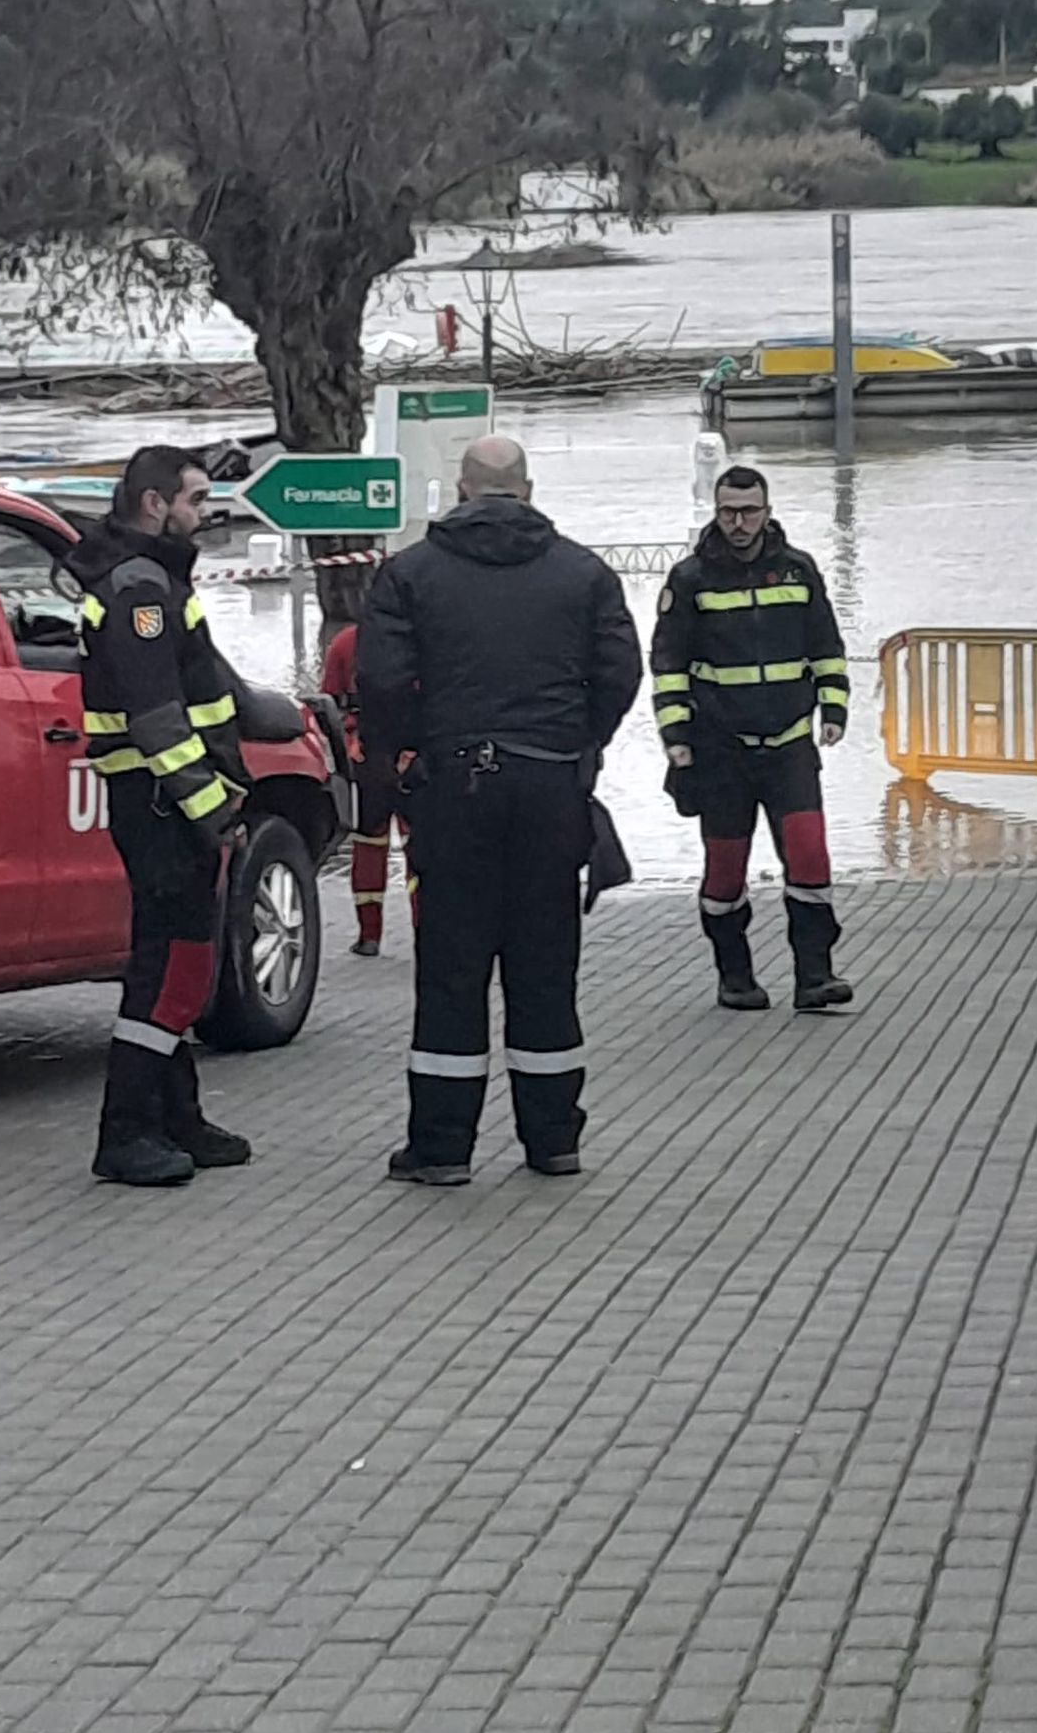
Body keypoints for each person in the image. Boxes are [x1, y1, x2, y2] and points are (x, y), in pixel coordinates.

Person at [358, 435, 642, 1187]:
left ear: (460, 490)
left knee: (452, 970)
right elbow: (620, 672)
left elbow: (381, 682)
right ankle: (553, 1138)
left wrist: (418, 752)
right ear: (528, 487)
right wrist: (577, 743)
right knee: (546, 966)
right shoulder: (583, 573)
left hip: (456, 790)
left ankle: (443, 1146)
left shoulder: (410, 573)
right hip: (552, 790)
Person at [72, 446, 253, 1187]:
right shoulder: (139, 590)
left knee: (176, 962)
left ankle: (177, 1115)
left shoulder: (151, 578)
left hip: (164, 801)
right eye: (196, 497)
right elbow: (156, 716)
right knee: (169, 969)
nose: (205, 511)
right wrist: (212, 810)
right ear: (155, 504)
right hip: (162, 804)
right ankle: (127, 1132)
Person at [651, 463, 853, 1013]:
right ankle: (734, 975)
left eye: (748, 511)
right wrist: (676, 735)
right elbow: (668, 664)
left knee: (810, 858)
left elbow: (826, 646)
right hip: (720, 750)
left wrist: (834, 707)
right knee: (725, 870)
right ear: (716, 513)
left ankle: (815, 975)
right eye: (728, 512)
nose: (738, 522)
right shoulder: (690, 579)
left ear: (767, 511)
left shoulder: (798, 571)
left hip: (790, 742)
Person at [321, 617, 414, 957]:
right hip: (412, 757)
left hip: (363, 757)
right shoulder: (426, 637)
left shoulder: (346, 642)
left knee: (368, 846)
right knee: (419, 850)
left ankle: (369, 935)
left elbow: (326, 703)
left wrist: (342, 748)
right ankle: (426, 931)